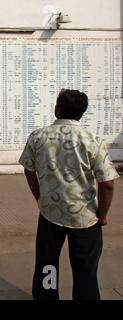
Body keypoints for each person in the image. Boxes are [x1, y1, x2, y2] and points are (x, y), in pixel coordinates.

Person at [19, 89, 119, 300]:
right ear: (81, 113)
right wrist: (102, 214)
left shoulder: (38, 136)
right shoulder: (92, 140)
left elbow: (29, 169)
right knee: (85, 273)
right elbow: (107, 183)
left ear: (57, 109)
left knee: (48, 265)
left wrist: (40, 199)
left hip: (50, 215)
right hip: (85, 219)